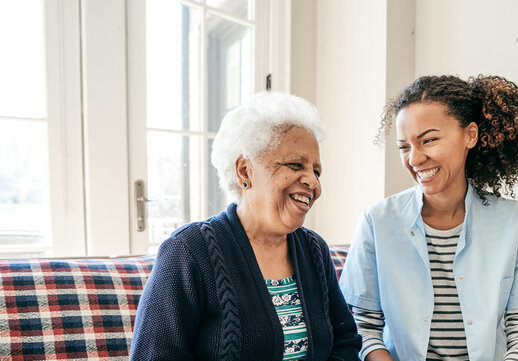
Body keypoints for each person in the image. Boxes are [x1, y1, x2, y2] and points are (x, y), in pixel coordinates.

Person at [130, 91, 361, 360]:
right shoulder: (188, 251)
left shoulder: (314, 249)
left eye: (316, 171)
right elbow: (155, 354)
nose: (313, 182)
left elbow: (344, 340)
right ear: (244, 171)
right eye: (296, 164)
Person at [339, 75, 518, 361]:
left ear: (470, 135)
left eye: (429, 140)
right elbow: (360, 328)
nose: (414, 158)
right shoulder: (377, 221)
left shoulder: (515, 220)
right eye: (404, 146)